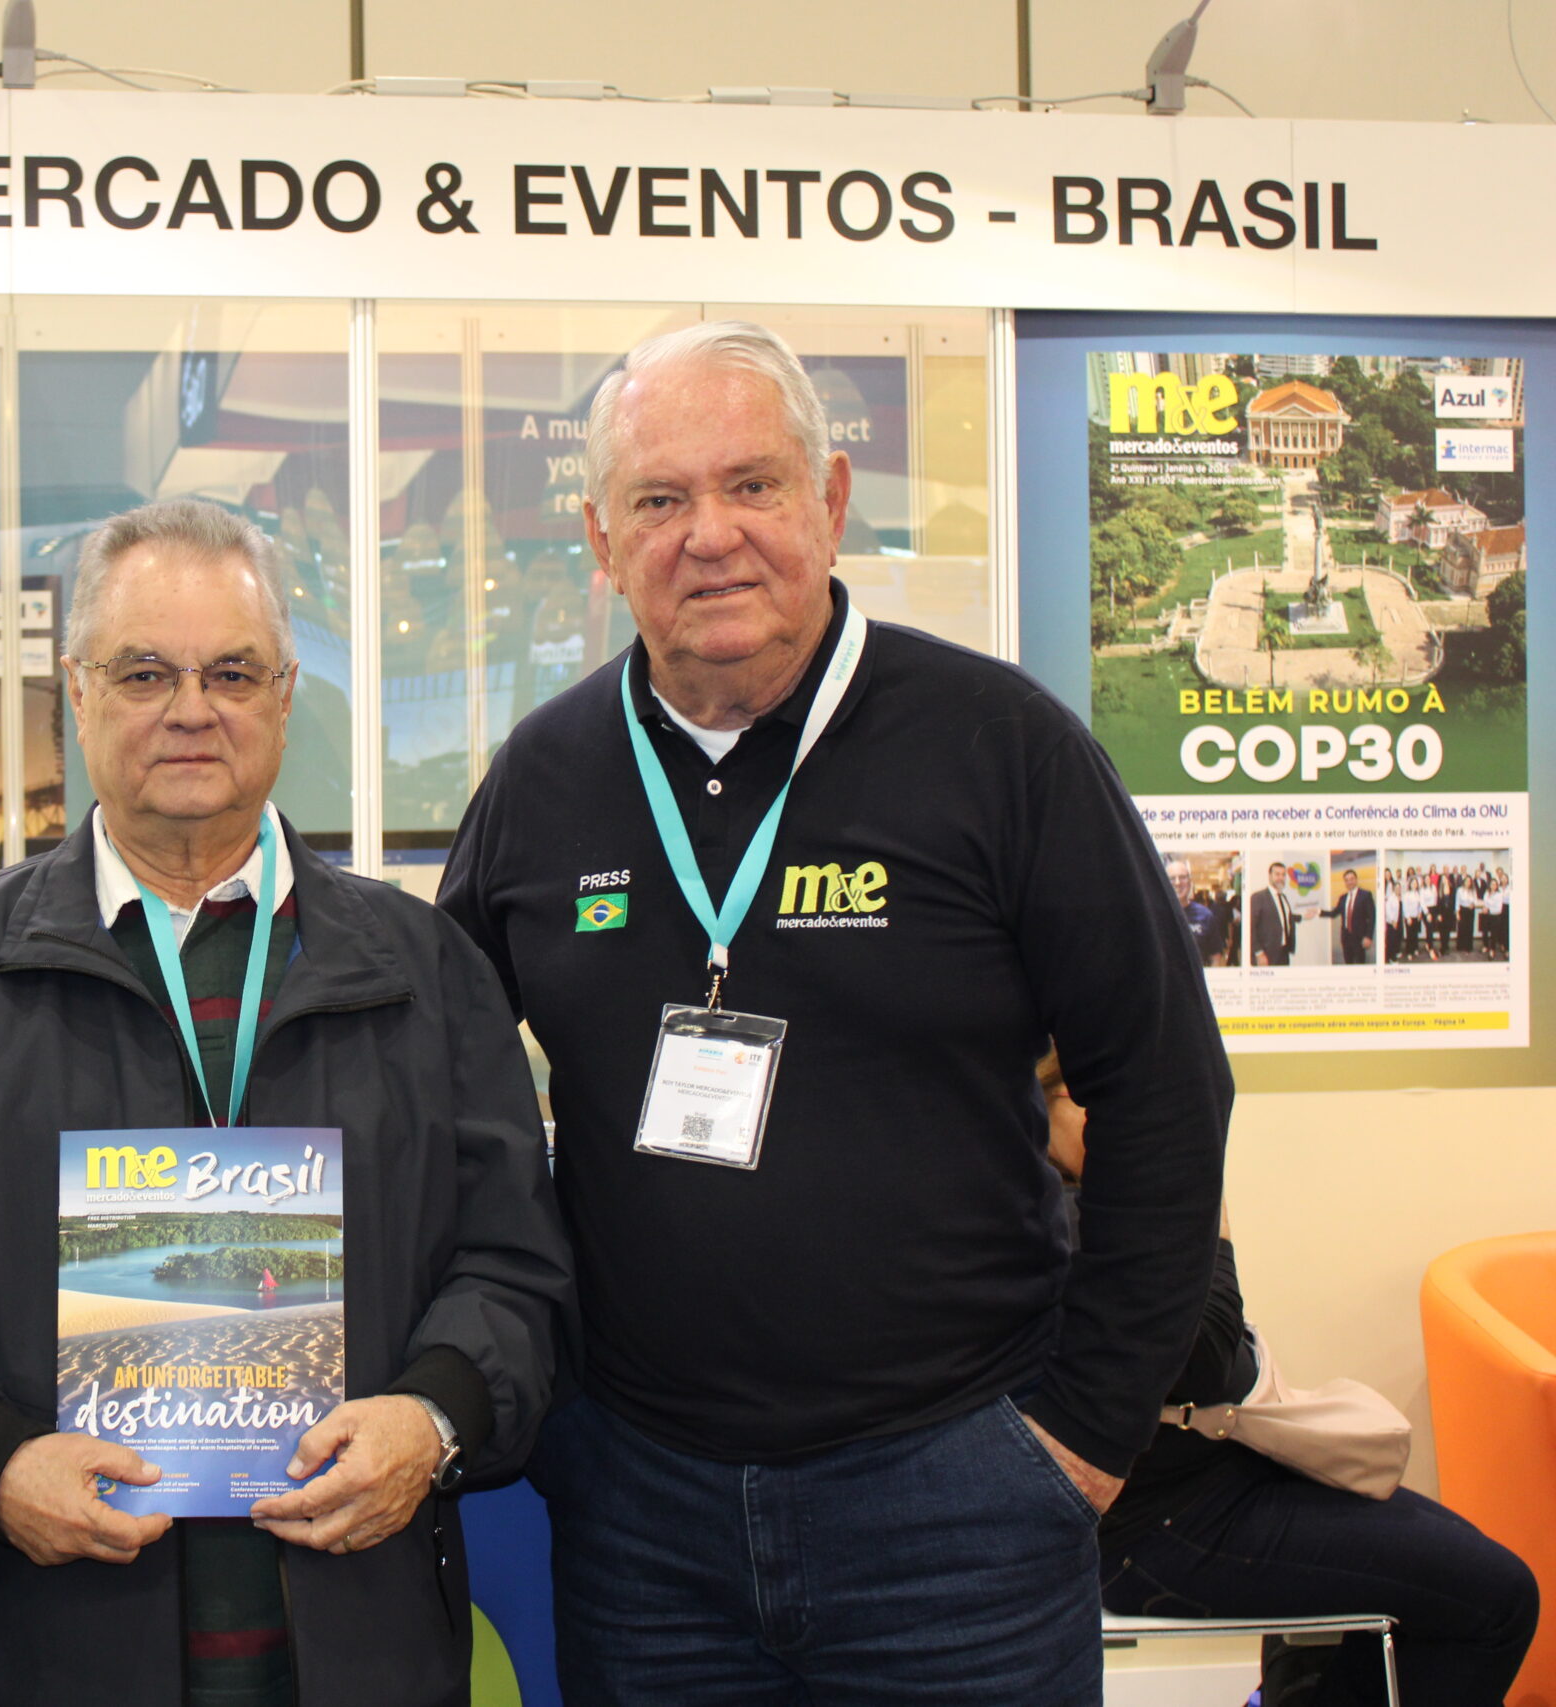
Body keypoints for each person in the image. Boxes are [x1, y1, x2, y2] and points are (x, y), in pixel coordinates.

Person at [437, 321, 1232, 1705]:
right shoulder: (544, 776)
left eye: (753, 484)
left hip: (957, 1502)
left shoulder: (1001, 746)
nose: (712, 535)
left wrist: (1085, 1433)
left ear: (832, 499)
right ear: (600, 535)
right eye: (661, 499)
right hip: (639, 1511)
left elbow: (1166, 1088)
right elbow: (429, 1088)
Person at [0, 499, 571, 1707]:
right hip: (45, 1643)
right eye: (145, 671)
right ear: (77, 687)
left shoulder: (424, 968)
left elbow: (516, 1267)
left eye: (231, 671)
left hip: (358, 1640)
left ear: (281, 695)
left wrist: (431, 1421)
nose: (190, 708)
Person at [1041, 1064, 1541, 1707]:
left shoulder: (1084, 1200)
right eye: (1084, 1096)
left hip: (1213, 1478)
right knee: (1498, 1598)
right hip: (1158, 1525)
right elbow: (1209, 1355)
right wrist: (1200, 1196)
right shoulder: (1064, 1220)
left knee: (1460, 1573)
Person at [1168, 856, 1226, 965]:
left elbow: (1215, 956)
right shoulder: (1155, 915)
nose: (1177, 882)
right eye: (1172, 878)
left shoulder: (1205, 915)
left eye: (1182, 877)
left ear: (1190, 881)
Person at [1251, 861, 1298, 967]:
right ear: (1270, 876)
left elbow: (1284, 917)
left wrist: (1303, 916)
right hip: (1267, 954)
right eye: (1277, 874)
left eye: (1283, 875)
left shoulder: (1283, 897)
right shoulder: (1258, 897)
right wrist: (1259, 953)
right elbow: (1251, 927)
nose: (1280, 878)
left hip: (1284, 952)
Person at [1333, 866, 1376, 965]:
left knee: (1360, 964)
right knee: (1348, 964)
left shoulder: (1365, 895)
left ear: (1356, 880)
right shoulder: (1343, 897)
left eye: (1351, 879)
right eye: (1347, 880)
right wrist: (1318, 911)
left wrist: (1368, 936)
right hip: (1346, 938)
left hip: (1360, 938)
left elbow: (1372, 917)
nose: (1349, 882)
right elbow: (1334, 913)